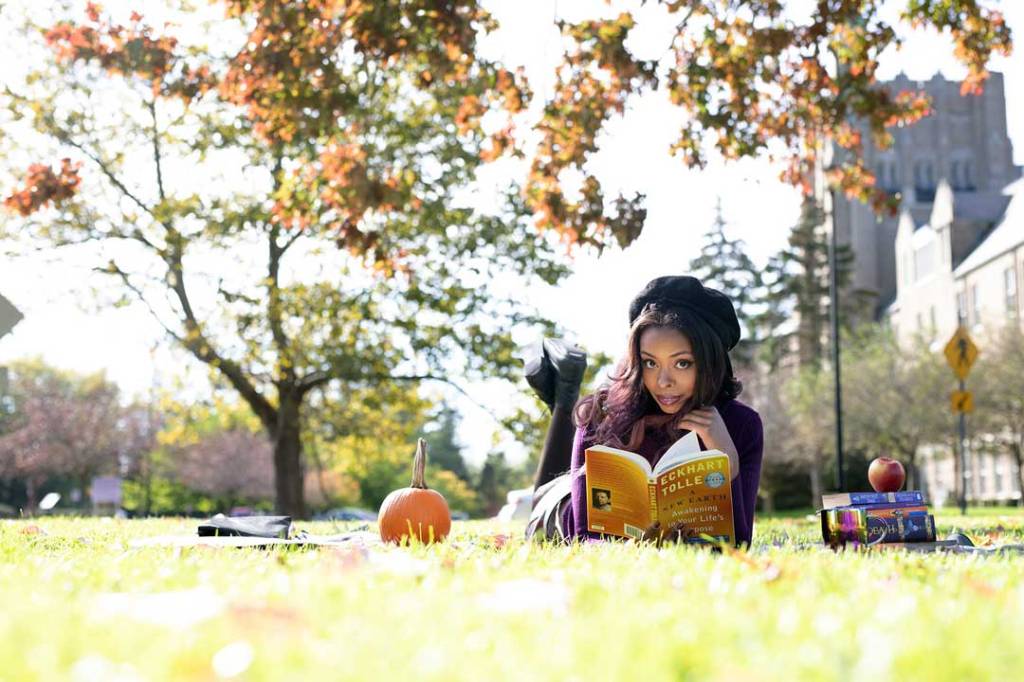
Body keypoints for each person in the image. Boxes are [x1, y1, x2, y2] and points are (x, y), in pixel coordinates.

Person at [524, 275, 764, 546]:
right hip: (560, 513)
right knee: (544, 505)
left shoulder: (742, 424)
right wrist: (633, 549)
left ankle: (563, 396)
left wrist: (726, 458)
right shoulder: (601, 413)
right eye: (650, 363)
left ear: (711, 362)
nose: (663, 382)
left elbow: (739, 542)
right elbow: (584, 536)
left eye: (682, 363)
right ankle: (563, 399)